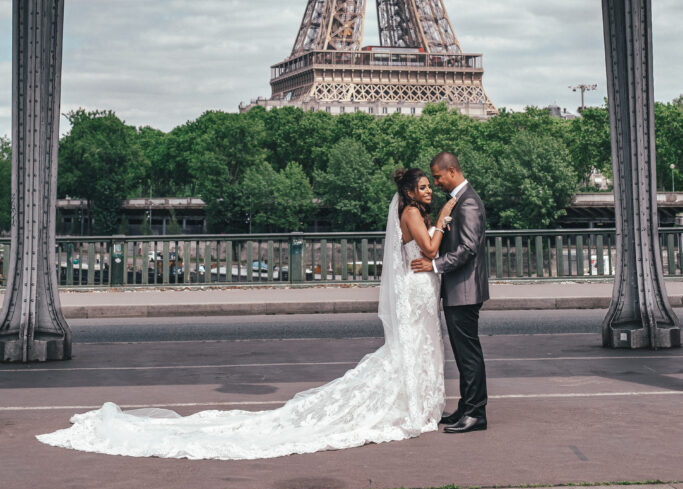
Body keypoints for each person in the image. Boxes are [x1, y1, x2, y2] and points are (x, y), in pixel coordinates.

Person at [36, 168, 454, 460]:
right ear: (410, 192)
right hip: (416, 287)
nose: (428, 190)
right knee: (414, 347)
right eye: (423, 186)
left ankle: (419, 404)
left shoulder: (412, 211)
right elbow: (430, 249)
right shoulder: (414, 213)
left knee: (414, 348)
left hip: (416, 287)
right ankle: (417, 406)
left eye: (429, 186)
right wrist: (444, 219)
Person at [411, 151, 489, 434]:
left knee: (468, 354)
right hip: (461, 288)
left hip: (464, 289)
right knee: (464, 352)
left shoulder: (467, 203)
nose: (435, 182)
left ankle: (476, 412)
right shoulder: (461, 200)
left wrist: (434, 265)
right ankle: (468, 407)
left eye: (438, 177)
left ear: (452, 171)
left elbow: (467, 249)